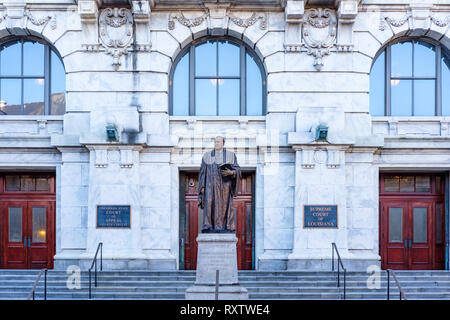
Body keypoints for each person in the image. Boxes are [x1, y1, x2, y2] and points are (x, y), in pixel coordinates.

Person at [198, 136, 241, 233]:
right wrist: (202, 186)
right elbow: (202, 172)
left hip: (225, 186)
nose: (216, 143)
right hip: (210, 184)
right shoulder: (207, 156)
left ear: (223, 143)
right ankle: (207, 225)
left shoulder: (231, 155)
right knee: (209, 204)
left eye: (218, 142)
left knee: (224, 205)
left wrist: (232, 172)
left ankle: (225, 226)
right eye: (215, 142)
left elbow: (237, 169)